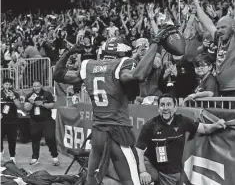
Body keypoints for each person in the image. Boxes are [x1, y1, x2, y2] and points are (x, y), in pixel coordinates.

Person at [53, 25, 179, 185]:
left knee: (92, 179)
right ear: (123, 53)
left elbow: (57, 74)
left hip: (98, 132)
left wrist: (69, 52)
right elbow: (139, 74)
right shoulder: (122, 65)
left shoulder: (89, 66)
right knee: (131, 180)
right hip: (118, 132)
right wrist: (155, 43)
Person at [136, 93, 226, 185]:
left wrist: (216, 125)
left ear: (175, 108)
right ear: (158, 109)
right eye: (162, 105)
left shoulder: (182, 121)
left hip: (175, 171)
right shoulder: (150, 126)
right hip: (153, 167)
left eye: (169, 104)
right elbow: (139, 150)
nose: (165, 108)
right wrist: (143, 171)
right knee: (151, 176)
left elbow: (204, 129)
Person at [188, 0, 235, 108]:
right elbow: (207, 23)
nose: (219, 30)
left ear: (233, 27)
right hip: (224, 90)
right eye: (218, 28)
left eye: (223, 27)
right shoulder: (219, 39)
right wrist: (197, 6)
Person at [23, 80, 59, 166]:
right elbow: (26, 108)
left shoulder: (47, 94)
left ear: (41, 85)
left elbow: (52, 105)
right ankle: (35, 158)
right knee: (35, 139)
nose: (36, 88)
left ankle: (55, 157)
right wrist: (31, 103)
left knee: (50, 138)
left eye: (38, 86)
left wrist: (42, 104)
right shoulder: (29, 95)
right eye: (34, 86)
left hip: (47, 120)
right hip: (35, 121)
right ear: (32, 87)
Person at [1, 78, 21, 163]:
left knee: (12, 139)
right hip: (1, 120)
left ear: (12, 85)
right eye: (6, 84)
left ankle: (12, 156)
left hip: (12, 121)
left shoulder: (15, 94)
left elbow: (19, 106)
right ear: (3, 85)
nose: (8, 86)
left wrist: (13, 97)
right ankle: (0, 152)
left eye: (9, 84)